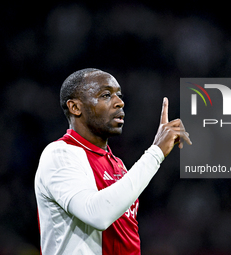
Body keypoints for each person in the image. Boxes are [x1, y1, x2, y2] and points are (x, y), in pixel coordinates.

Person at [34, 68, 191, 255]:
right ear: (75, 107)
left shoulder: (118, 165)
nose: (120, 102)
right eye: (106, 95)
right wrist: (156, 152)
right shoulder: (60, 154)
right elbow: (97, 214)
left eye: (119, 95)